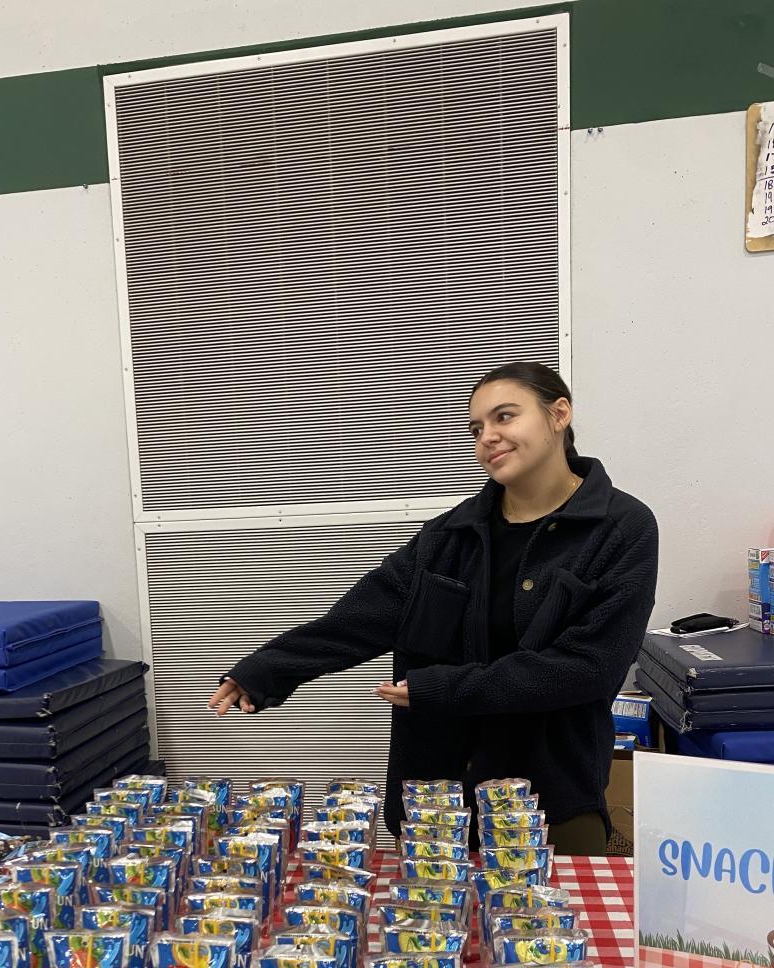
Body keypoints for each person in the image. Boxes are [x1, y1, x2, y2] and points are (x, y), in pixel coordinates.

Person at [208, 361, 658, 856]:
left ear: (559, 414)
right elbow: (357, 620)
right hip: (435, 805)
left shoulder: (621, 528)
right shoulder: (448, 536)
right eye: (477, 428)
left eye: (505, 416)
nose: (488, 436)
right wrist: (267, 669)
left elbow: (587, 667)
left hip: (552, 805)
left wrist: (441, 689)